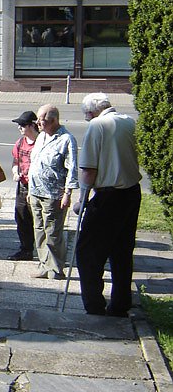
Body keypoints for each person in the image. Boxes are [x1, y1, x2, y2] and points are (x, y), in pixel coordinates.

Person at [75, 93, 142, 317]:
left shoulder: (97, 125)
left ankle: (94, 305)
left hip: (108, 195)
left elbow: (88, 169)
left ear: (91, 112)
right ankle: (121, 304)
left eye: (86, 115)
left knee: (87, 252)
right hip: (131, 192)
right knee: (122, 250)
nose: (86, 119)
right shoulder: (128, 121)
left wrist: (82, 199)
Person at [27, 104, 78, 279]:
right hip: (36, 191)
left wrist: (68, 194)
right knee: (39, 229)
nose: (38, 123)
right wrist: (30, 189)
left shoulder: (66, 139)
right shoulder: (41, 136)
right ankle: (44, 264)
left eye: (42, 120)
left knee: (53, 232)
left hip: (53, 194)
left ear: (54, 120)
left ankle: (56, 268)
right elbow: (34, 163)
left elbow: (72, 168)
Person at [9, 110, 38, 261]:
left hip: (37, 187)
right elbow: (15, 161)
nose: (19, 128)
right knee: (21, 218)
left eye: (22, 125)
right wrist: (16, 172)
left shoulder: (41, 142)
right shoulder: (20, 143)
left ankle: (43, 251)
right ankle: (26, 250)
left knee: (38, 221)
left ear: (32, 126)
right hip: (23, 185)